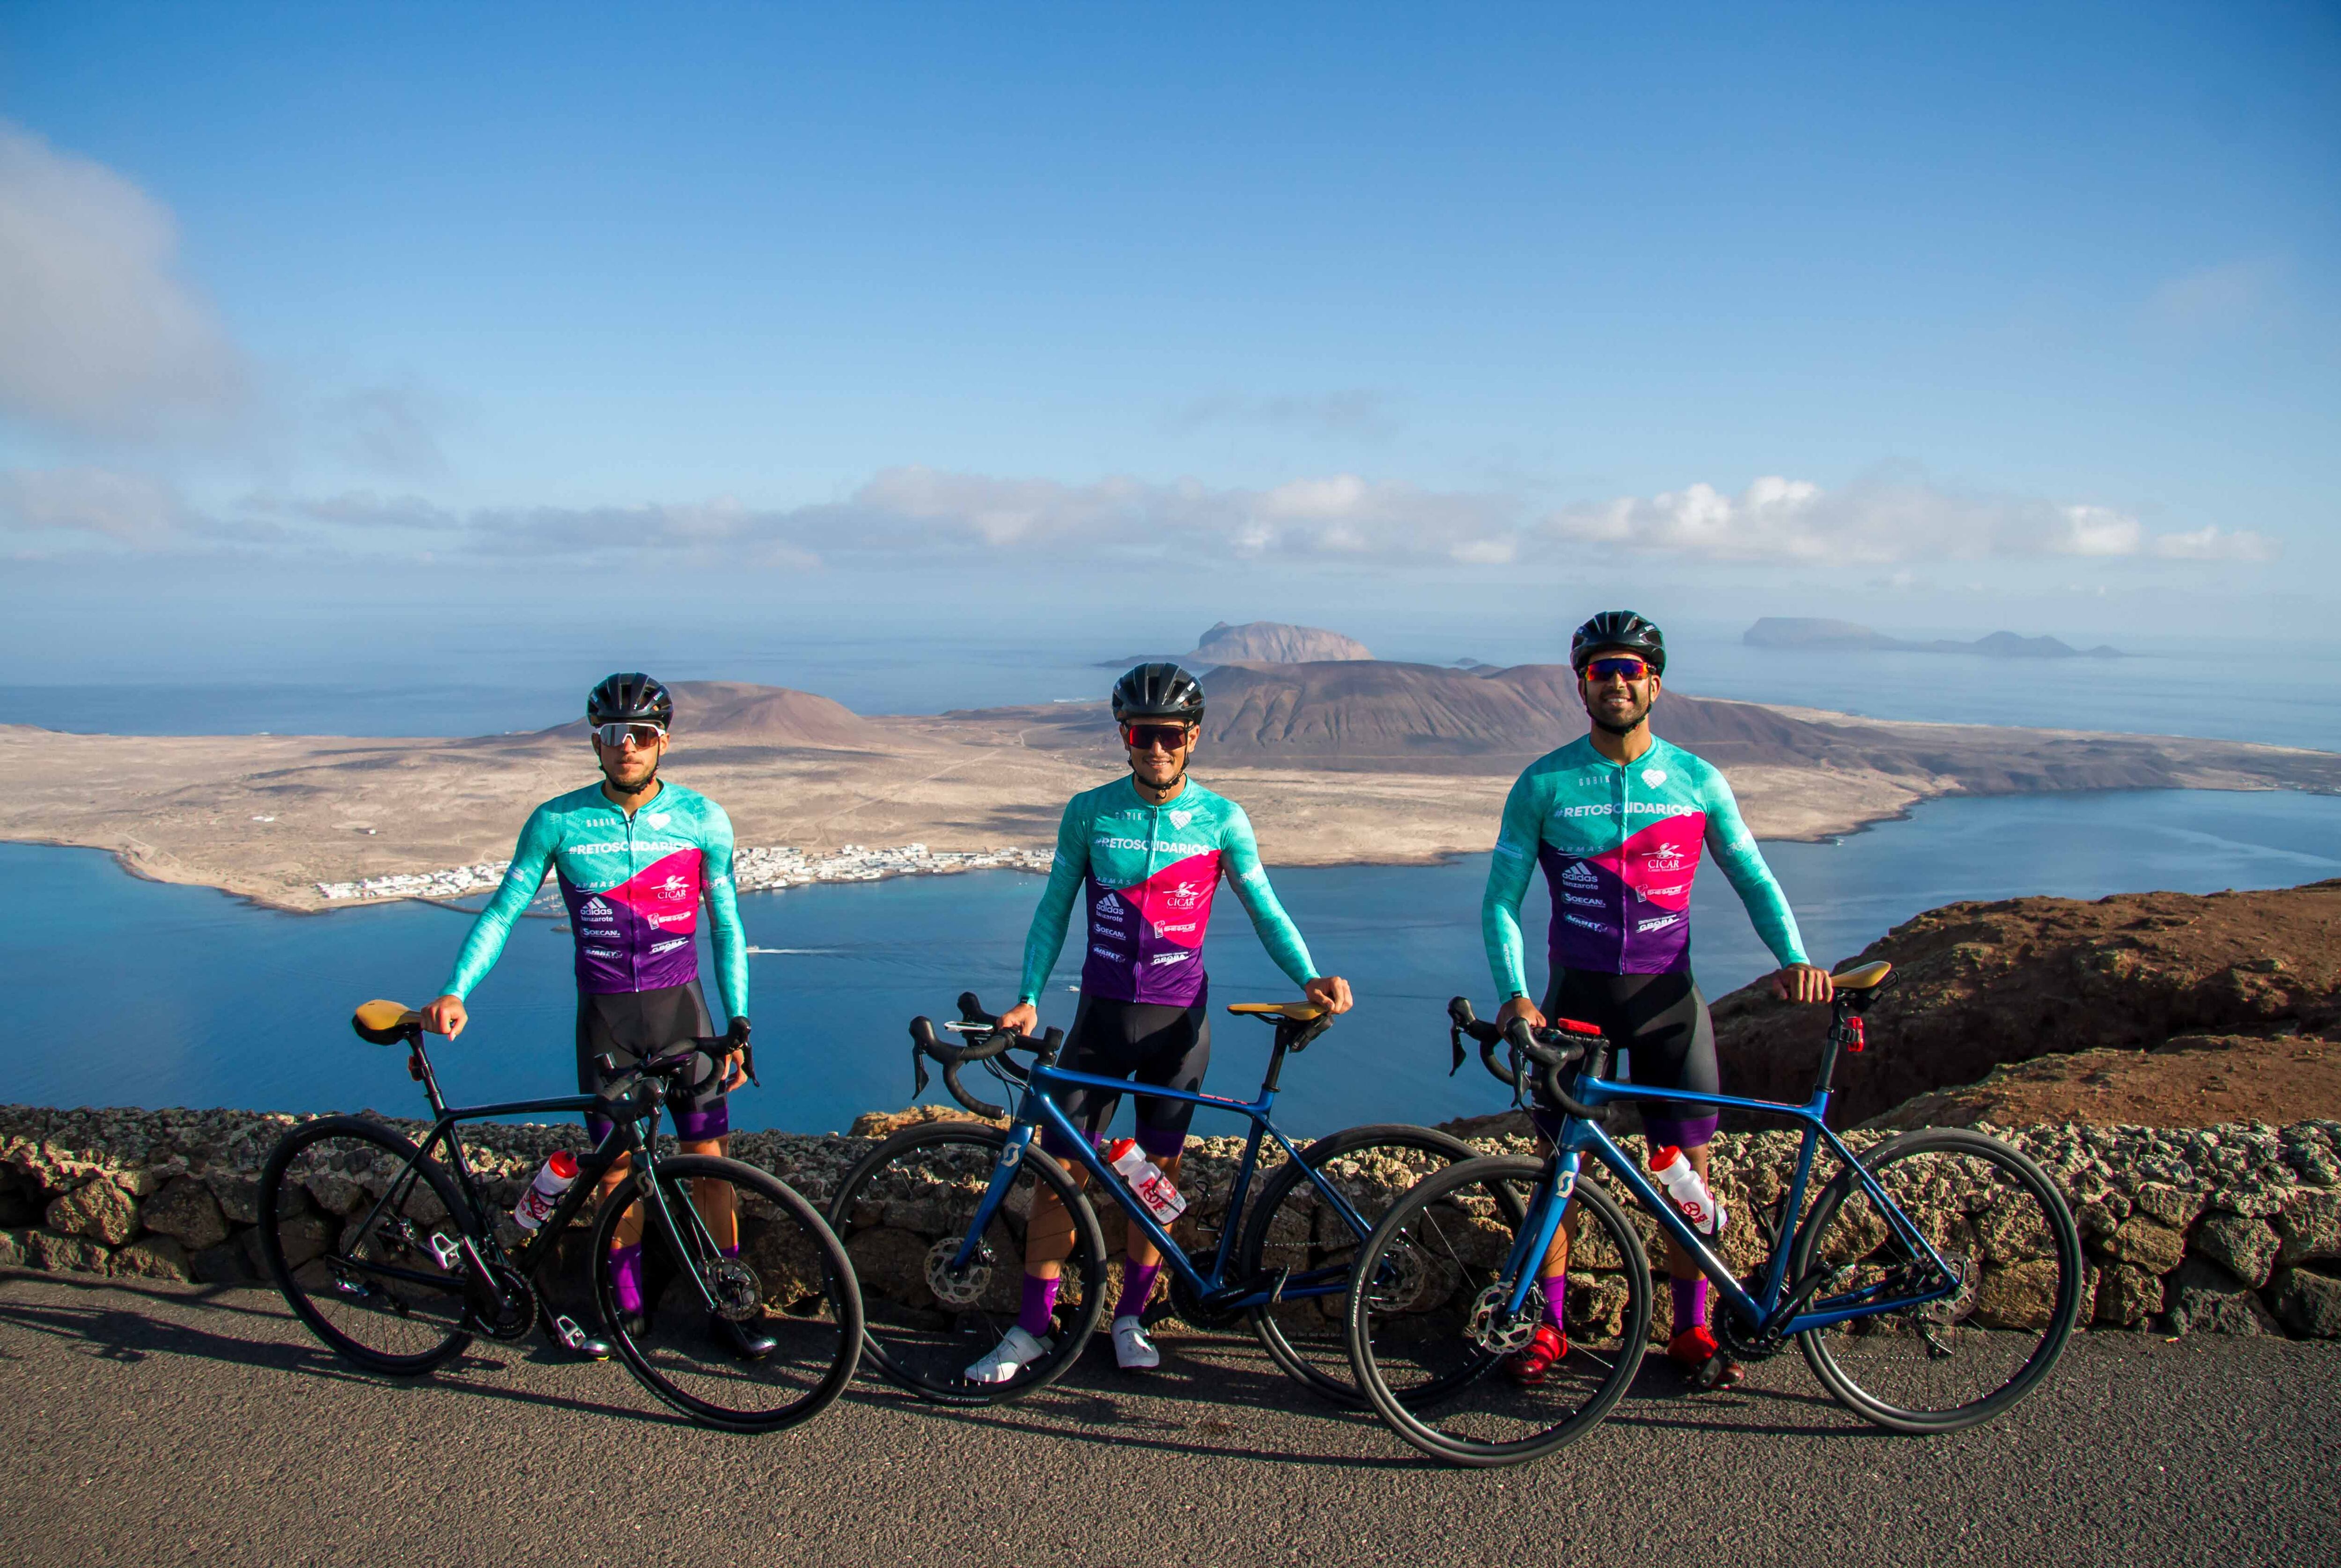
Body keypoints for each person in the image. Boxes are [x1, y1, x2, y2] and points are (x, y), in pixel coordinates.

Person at [968, 663, 1355, 1383]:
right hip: (1099, 1020)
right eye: (1143, 734)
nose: (1156, 748)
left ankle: (1131, 1318)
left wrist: (1308, 974)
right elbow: (1054, 907)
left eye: (1170, 735)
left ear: (1193, 736)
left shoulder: (1221, 818)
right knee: (1060, 1174)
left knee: (1158, 1178)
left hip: (1179, 1027)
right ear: (1124, 735)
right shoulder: (1090, 810)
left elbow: (1264, 905)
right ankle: (1029, 1329)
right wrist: (1028, 995)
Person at [1481, 612, 1834, 1388]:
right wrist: (1514, 995)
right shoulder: (1544, 783)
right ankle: (1550, 1325)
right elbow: (1501, 901)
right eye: (1602, 670)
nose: (1616, 682)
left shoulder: (1698, 780)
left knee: (1688, 1171)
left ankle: (1692, 1328)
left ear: (1656, 683)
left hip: (1670, 1002)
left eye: (1631, 670)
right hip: (1574, 1006)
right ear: (1582, 683)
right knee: (1558, 1173)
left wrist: (1795, 957)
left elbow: (1752, 875)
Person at [418, 672, 770, 1360]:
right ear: (595, 742)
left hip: (686, 1014)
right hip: (607, 1018)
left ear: (663, 742)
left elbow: (727, 923)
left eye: (641, 735)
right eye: (613, 735)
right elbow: (502, 909)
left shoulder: (704, 817)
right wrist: (457, 988)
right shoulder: (558, 821)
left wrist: (741, 1021)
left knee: (709, 1160)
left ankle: (727, 1301)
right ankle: (627, 1303)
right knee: (614, 1171)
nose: (627, 747)